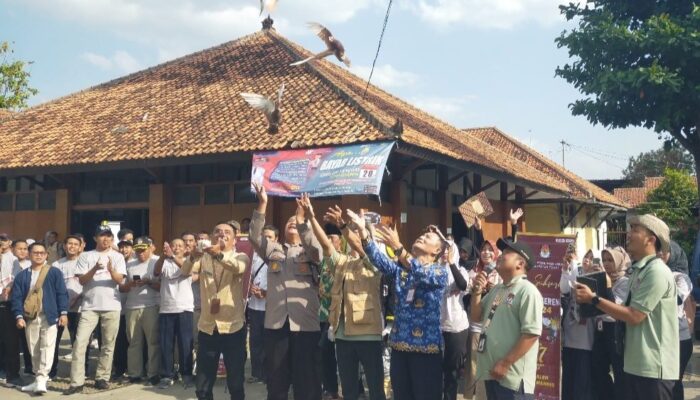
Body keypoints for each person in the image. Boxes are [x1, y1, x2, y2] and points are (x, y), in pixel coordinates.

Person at [346, 209, 448, 400]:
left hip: (426, 352)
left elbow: (420, 272)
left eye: (427, 237)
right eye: (422, 235)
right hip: (400, 349)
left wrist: (399, 248)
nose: (421, 237)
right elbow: (379, 260)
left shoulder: (439, 272)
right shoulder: (402, 272)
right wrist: (364, 233)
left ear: (437, 250)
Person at [575, 214, 679, 400]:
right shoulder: (640, 270)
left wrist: (594, 299)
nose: (629, 234)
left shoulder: (656, 271)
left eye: (635, 230)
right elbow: (622, 312)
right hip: (635, 365)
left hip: (653, 368)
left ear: (651, 239)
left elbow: (634, 315)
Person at [305, 199, 385, 400]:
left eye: (355, 233)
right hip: (342, 336)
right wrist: (311, 217)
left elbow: (360, 246)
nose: (350, 237)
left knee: (375, 389)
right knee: (348, 390)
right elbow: (325, 244)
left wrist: (343, 225)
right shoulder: (341, 262)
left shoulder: (375, 263)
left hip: (368, 336)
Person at [250, 184, 324, 400]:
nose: (293, 222)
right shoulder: (274, 250)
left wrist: (302, 221)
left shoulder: (311, 251)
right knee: (276, 378)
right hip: (275, 323)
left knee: (307, 378)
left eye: (297, 222)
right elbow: (255, 237)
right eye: (289, 221)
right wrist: (262, 203)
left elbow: (318, 251)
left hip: (305, 323)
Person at [181, 221, 250, 400]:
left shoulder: (241, 256)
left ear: (234, 240)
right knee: (203, 386)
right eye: (218, 231)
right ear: (212, 236)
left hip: (233, 327)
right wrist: (192, 256)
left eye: (227, 232)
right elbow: (185, 270)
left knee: (235, 383)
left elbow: (238, 268)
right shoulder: (204, 259)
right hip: (208, 327)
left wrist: (219, 254)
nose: (222, 234)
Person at [471, 238, 542, 400]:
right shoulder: (497, 289)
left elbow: (531, 334)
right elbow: (476, 317)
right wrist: (476, 293)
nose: (501, 255)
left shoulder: (528, 291)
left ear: (520, 264)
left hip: (511, 379)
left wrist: (505, 363)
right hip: (491, 373)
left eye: (508, 253)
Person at [65, 224, 127, 394]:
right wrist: (94, 269)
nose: (105, 239)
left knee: (108, 344)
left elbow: (120, 281)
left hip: (112, 306)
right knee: (80, 343)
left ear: (112, 239)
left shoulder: (118, 257)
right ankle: (77, 382)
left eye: (108, 236)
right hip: (89, 307)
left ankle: (102, 377)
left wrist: (111, 270)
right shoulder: (86, 256)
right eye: (102, 235)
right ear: (95, 238)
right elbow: (82, 281)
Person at [10, 242, 69, 394]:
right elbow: (16, 297)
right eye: (35, 252)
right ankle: (37, 378)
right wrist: (18, 316)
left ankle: (42, 379)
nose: (38, 255)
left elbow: (61, 293)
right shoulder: (22, 276)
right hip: (30, 317)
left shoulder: (54, 272)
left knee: (47, 347)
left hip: (50, 316)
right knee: (33, 348)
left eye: (42, 253)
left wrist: (63, 313)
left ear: (46, 255)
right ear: (29, 255)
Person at [154, 238, 195, 389]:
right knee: (166, 344)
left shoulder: (189, 260)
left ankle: (187, 374)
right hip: (166, 308)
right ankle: (167, 375)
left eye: (179, 246)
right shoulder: (164, 261)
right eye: (173, 245)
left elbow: (187, 270)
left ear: (185, 249)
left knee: (185, 343)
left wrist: (172, 257)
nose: (176, 248)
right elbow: (156, 272)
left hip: (184, 308)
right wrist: (163, 256)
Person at [120, 237, 161, 385]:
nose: (140, 253)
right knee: (133, 342)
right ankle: (135, 373)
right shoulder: (129, 263)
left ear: (151, 247)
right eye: (137, 250)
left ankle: (153, 373)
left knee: (153, 342)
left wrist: (149, 282)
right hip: (132, 306)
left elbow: (163, 286)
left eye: (143, 250)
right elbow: (122, 287)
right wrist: (131, 284)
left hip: (151, 305)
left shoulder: (157, 261)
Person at [591, 246, 630, 400]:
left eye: (610, 260)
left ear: (619, 262)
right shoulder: (600, 279)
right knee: (598, 368)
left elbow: (615, 307)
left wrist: (606, 284)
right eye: (604, 260)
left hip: (615, 329)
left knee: (619, 370)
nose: (606, 264)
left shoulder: (624, 282)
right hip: (600, 329)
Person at [465, 239, 503, 400]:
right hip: (475, 326)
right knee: (473, 366)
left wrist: (492, 288)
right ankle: (468, 396)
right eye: (483, 249)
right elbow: (465, 291)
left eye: (490, 250)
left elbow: (504, 297)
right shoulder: (474, 271)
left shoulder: (501, 273)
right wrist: (475, 287)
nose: (486, 252)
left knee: (489, 367)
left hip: (494, 327)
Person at [560, 246, 597, 400]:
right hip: (570, 333)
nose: (587, 260)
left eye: (591, 257)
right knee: (568, 378)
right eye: (585, 257)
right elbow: (564, 288)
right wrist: (565, 270)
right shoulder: (577, 272)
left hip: (585, 338)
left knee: (582, 382)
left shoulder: (599, 278)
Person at [661, 242, 693, 400]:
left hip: (679, 339)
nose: (660, 254)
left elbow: (675, 301)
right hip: (663, 339)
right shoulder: (652, 274)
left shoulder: (682, 277)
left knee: (674, 382)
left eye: (664, 252)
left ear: (673, 254)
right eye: (657, 251)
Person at [50, 235, 84, 380]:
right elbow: (53, 287)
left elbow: (88, 283)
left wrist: (78, 298)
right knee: (54, 341)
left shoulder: (84, 262)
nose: (72, 246)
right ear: (64, 246)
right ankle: (52, 371)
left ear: (81, 246)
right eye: (69, 243)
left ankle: (81, 371)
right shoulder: (57, 264)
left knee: (79, 341)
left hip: (80, 307)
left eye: (75, 244)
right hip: (61, 309)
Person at [441, 237, 470, 400]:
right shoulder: (434, 270)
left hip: (456, 328)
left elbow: (463, 285)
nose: (445, 252)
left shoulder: (461, 270)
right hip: (437, 327)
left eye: (449, 249)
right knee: (436, 370)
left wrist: (451, 263)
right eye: (443, 249)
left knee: (452, 372)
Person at [246, 225, 276, 384]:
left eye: (270, 237)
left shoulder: (278, 256)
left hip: (271, 307)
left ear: (276, 239)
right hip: (254, 306)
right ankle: (256, 373)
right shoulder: (253, 255)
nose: (266, 239)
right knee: (255, 340)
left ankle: (268, 374)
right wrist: (250, 287)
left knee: (269, 342)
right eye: (264, 236)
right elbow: (246, 277)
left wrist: (265, 293)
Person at [0, 233, 25, 388]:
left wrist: (9, 287)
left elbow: (16, 278)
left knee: (11, 342)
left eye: (4, 240)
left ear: (9, 242)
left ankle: (13, 374)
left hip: (6, 305)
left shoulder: (13, 259)